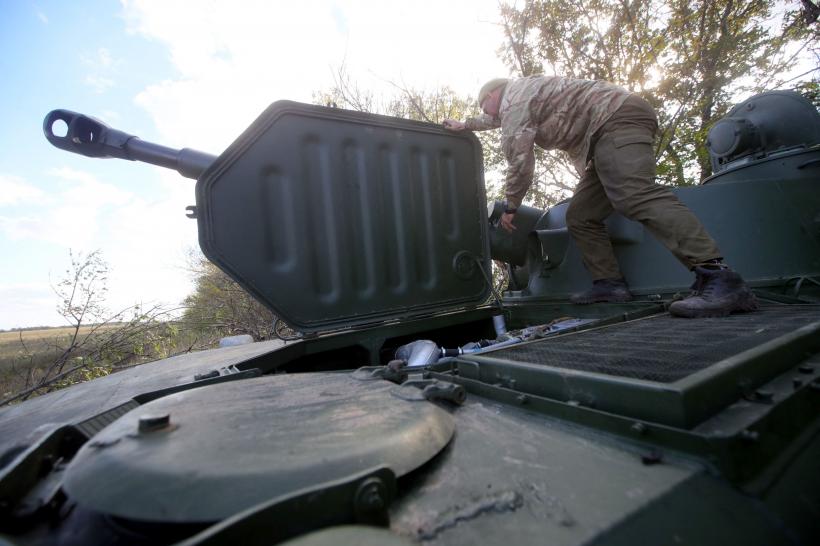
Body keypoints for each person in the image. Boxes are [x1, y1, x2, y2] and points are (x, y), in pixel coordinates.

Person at [443, 76, 758, 318]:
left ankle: (719, 277)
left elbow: (519, 160)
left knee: (635, 194)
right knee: (581, 216)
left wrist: (511, 206)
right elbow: (493, 120)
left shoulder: (514, 97)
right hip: (600, 138)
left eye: (483, 105)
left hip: (616, 121)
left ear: (493, 95)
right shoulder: (517, 100)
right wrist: (466, 124)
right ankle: (610, 284)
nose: (484, 112)